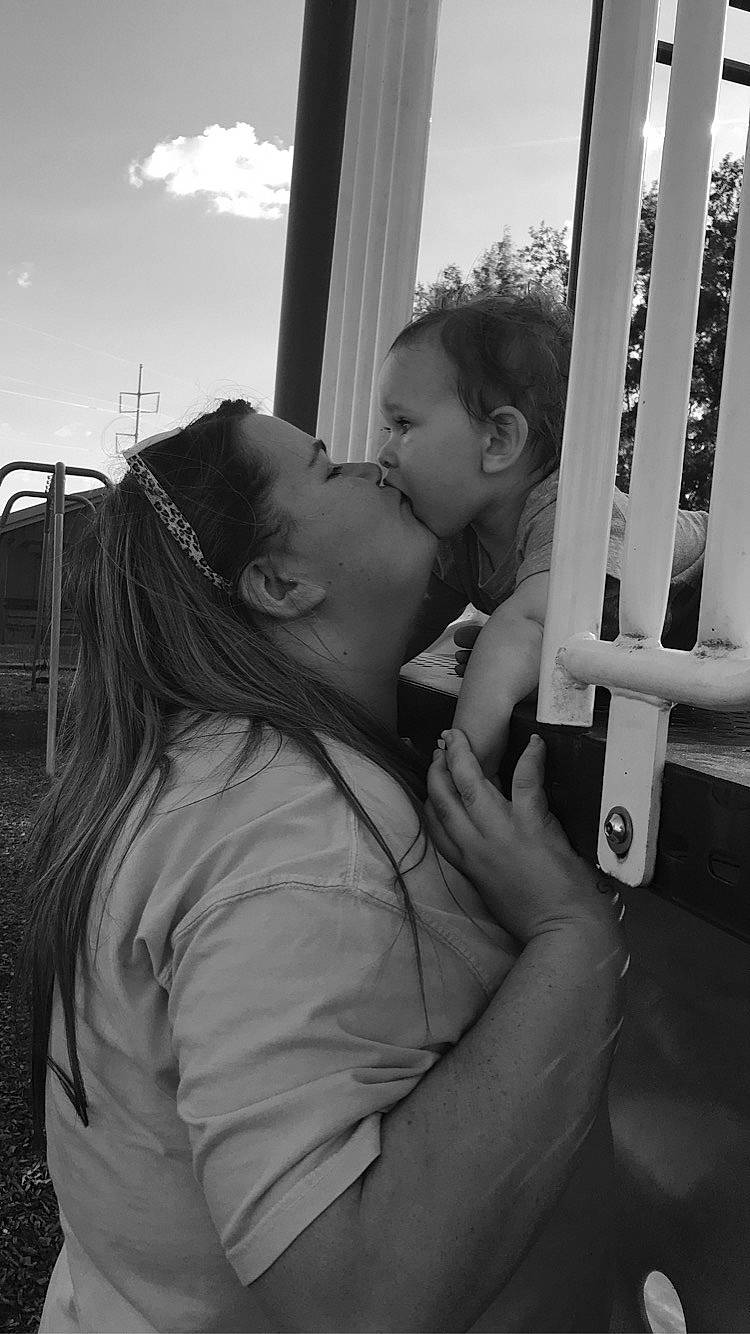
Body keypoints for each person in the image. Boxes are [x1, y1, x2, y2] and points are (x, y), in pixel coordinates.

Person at [18, 399, 627, 1333]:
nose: (377, 465)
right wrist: (571, 939)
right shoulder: (298, 834)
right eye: (328, 467)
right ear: (277, 581)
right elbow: (352, 1297)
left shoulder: (201, 766)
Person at [377, 289, 709, 777]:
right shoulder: (457, 534)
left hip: (717, 576)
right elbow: (401, 627)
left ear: (498, 440)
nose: (384, 452)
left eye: (402, 424)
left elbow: (528, 626)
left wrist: (465, 766)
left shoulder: (571, 511)